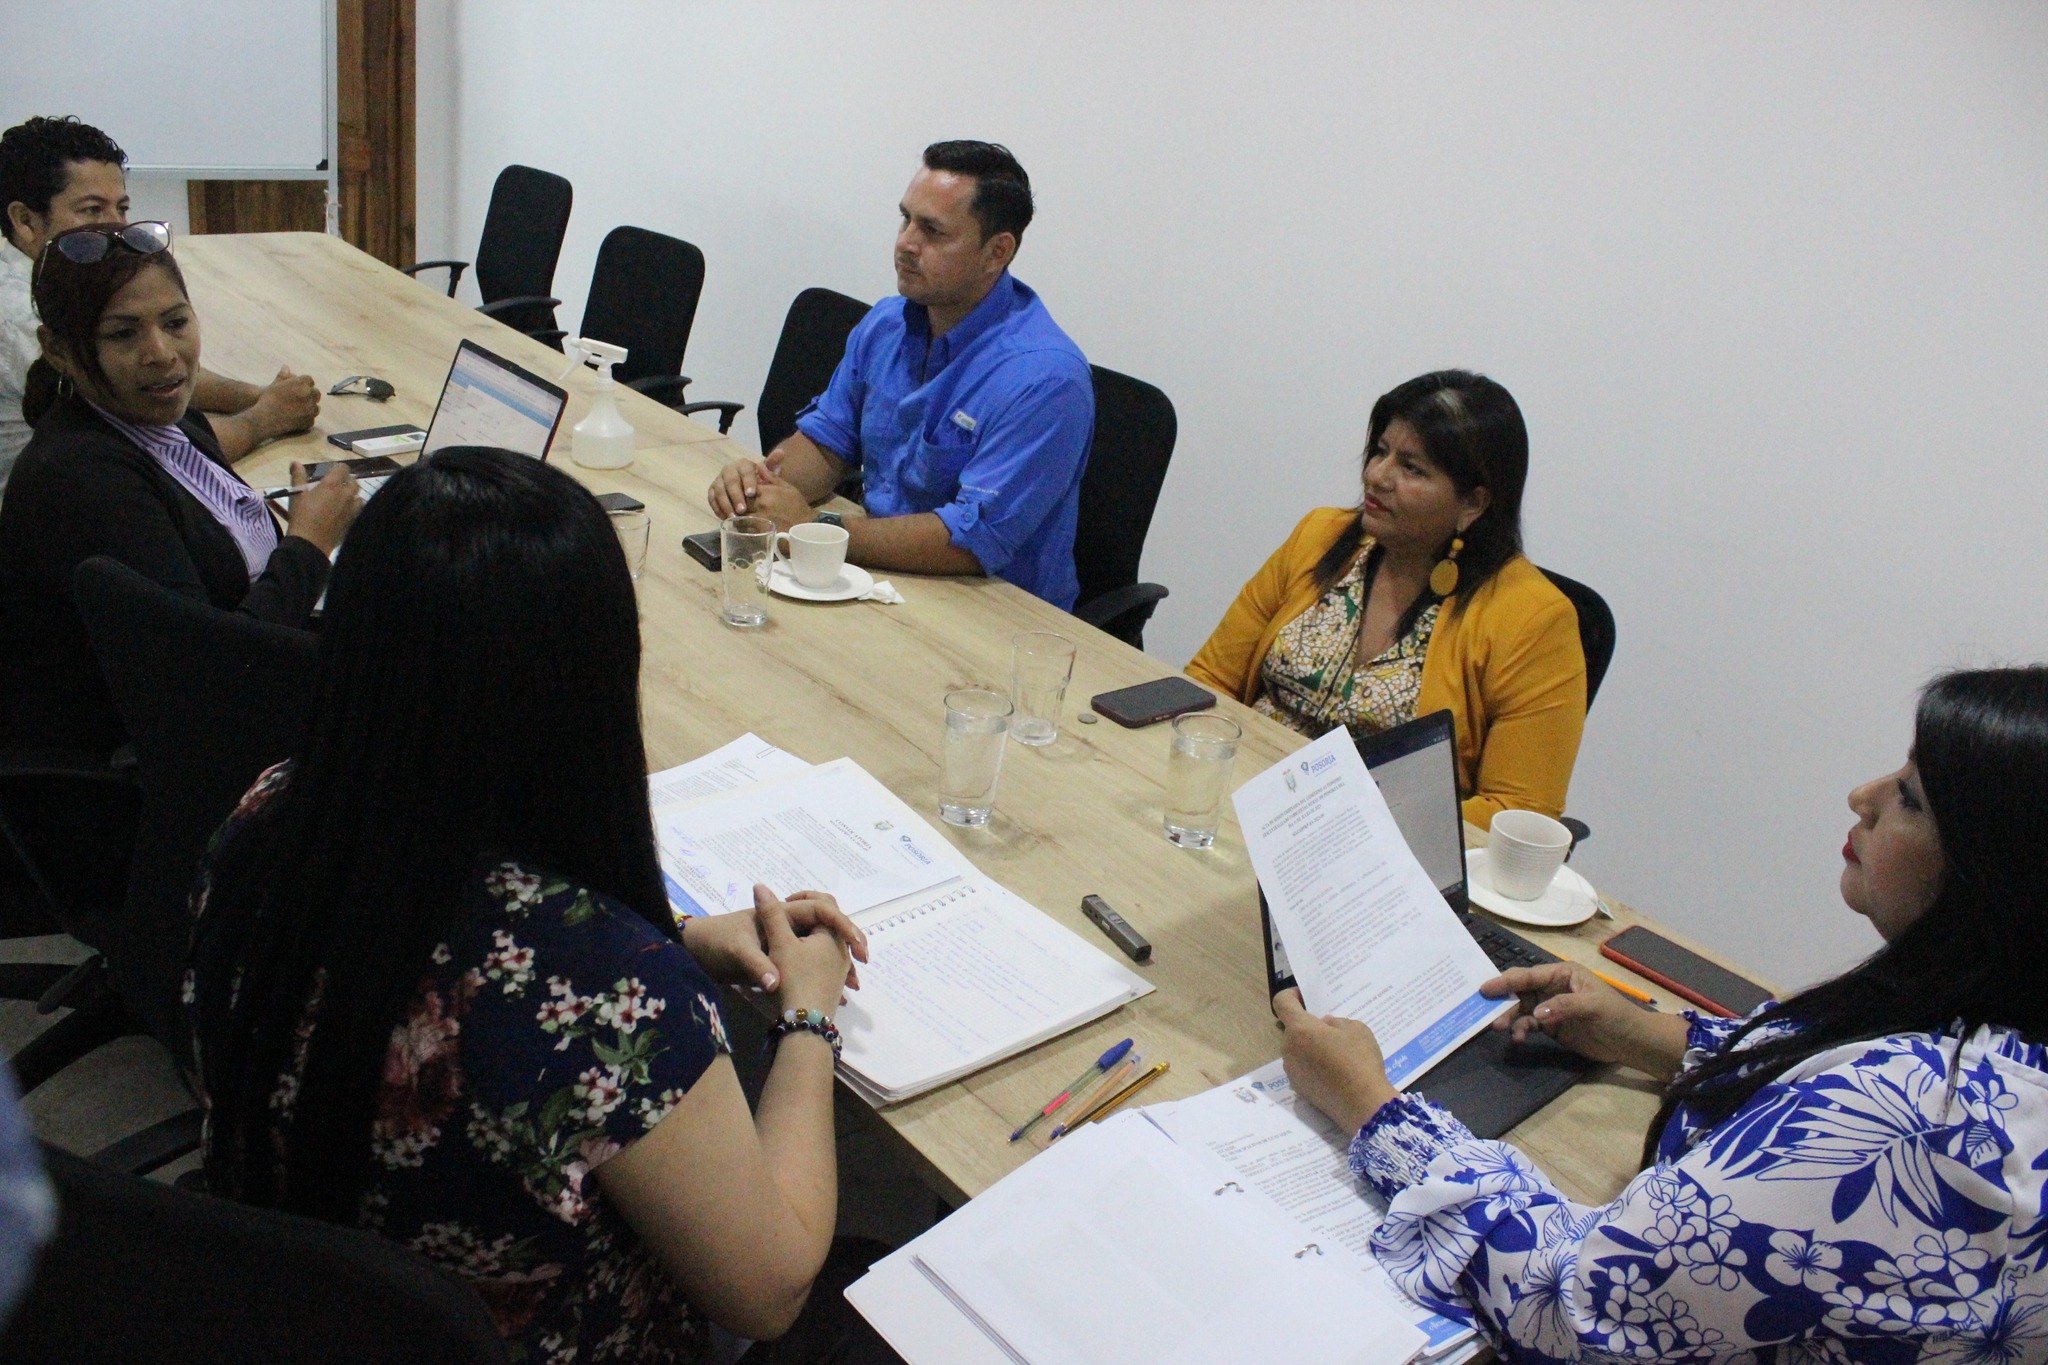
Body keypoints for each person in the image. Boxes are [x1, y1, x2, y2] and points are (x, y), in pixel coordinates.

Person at [186, 448, 901, 1364]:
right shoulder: (607, 993)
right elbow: (770, 1289)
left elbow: (448, 938)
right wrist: (807, 1013)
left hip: (307, 1309)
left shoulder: (267, 814)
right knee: (870, 1279)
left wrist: (679, 937)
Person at [1276, 665, 2048, 1363]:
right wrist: (1650, 1035)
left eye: (1910, 797)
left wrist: (1371, 1107)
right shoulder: (1998, 1033)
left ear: (1997, 869)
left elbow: (1571, 1311)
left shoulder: (1913, 1120)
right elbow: (1826, 1054)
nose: (1864, 796)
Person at [0, 222, 358, 759]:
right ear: (58, 350)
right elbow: (216, 678)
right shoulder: (83, 481)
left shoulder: (164, 420)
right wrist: (307, 546)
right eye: (123, 334)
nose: (162, 353)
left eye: (175, 322)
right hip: (158, 769)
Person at [707, 141, 1094, 610]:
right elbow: (828, 442)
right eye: (905, 219)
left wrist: (816, 529)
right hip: (880, 573)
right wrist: (759, 488)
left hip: (991, 610)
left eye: (932, 230)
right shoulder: (888, 323)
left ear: (997, 251)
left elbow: (972, 539)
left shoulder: (1045, 380)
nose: (906, 243)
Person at [1187, 371, 1584, 826]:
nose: (1376, 476)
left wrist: (1340, 821)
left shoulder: (1534, 621)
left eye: (1412, 468)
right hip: (1236, 797)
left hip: (1378, 845)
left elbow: (1518, 812)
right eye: (1380, 451)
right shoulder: (1319, 537)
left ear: (1473, 503)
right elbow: (1210, 679)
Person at [0, 115, 320, 492]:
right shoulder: (22, 314)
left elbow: (157, 370)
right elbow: (153, 452)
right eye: (92, 211)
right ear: (25, 220)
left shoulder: (53, 275)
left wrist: (257, 395)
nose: (117, 227)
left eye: (122, 209)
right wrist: (264, 418)